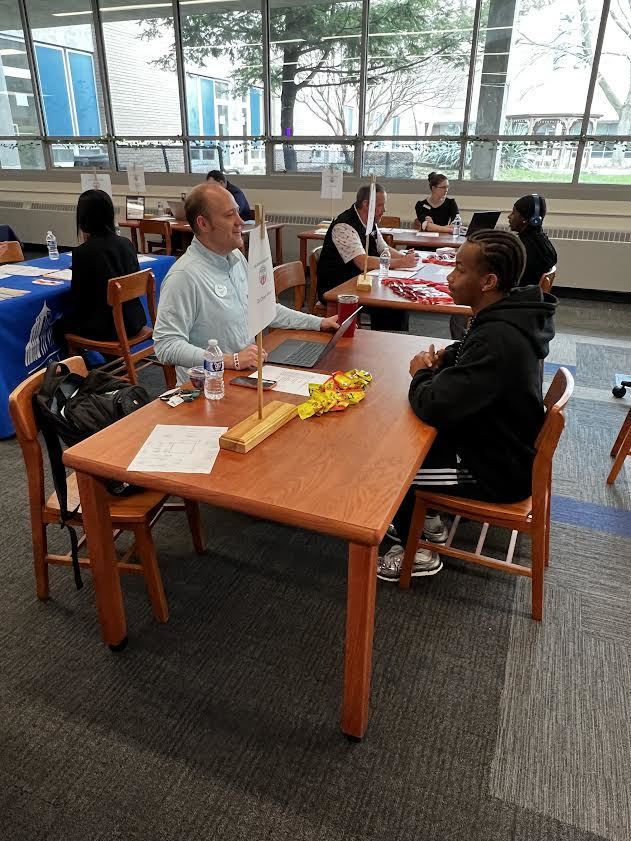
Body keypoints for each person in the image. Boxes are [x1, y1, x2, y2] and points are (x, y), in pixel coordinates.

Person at [377, 229, 556, 582]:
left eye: (459, 269)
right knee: (409, 442)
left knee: (393, 468)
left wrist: (420, 374)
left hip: (494, 471)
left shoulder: (498, 339)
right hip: (499, 446)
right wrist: (448, 355)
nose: (449, 276)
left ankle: (420, 550)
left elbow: (433, 405)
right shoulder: (507, 315)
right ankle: (427, 520)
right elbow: (471, 352)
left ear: (488, 282)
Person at [153, 182, 338, 384]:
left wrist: (318, 323)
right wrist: (229, 360)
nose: (240, 221)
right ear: (203, 224)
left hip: (244, 375)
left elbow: (263, 309)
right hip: (209, 387)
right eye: (229, 215)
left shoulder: (235, 257)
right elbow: (166, 346)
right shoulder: (184, 276)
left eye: (237, 212)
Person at [316, 183, 418, 331]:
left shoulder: (370, 222)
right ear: (366, 204)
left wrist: (406, 257)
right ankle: (382, 341)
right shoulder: (344, 226)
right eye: (380, 205)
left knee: (397, 302)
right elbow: (362, 262)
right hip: (339, 287)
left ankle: (390, 340)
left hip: (362, 282)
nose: (384, 210)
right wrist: (401, 262)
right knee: (390, 306)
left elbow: (383, 248)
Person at [64, 189, 146, 342]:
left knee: (58, 326)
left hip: (108, 328)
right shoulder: (127, 243)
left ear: (83, 218)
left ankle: (81, 357)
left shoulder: (83, 252)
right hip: (134, 320)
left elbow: (78, 298)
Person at [508, 194, 557, 288]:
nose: (509, 216)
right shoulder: (543, 244)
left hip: (520, 295)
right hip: (533, 295)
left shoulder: (524, 250)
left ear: (525, 219)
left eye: (514, 213)